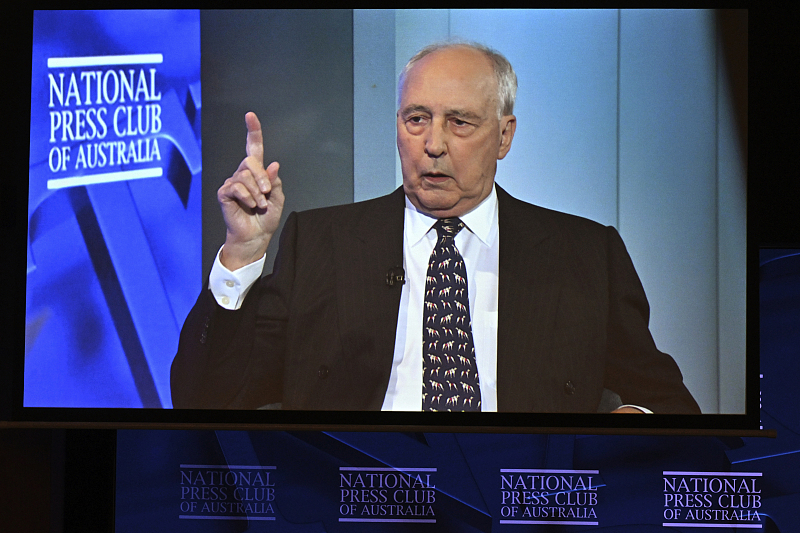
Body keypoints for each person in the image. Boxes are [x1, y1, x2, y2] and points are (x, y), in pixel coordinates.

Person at [170, 42, 700, 414]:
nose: (433, 144)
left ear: (504, 136)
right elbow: (206, 400)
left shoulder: (585, 253)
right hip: (356, 498)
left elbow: (669, 402)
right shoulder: (320, 242)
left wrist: (629, 422)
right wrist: (242, 254)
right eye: (415, 119)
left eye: (460, 122)